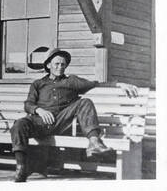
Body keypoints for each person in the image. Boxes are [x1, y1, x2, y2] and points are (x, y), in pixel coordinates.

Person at [10, 48, 138, 182]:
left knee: (85, 102)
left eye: (63, 64)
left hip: (62, 121)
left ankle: (94, 141)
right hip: (40, 122)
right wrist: (39, 110)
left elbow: (96, 84)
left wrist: (119, 84)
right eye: (57, 64)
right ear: (48, 65)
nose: (60, 67)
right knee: (19, 124)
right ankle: (21, 166)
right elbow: (28, 104)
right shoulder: (38, 84)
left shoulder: (72, 81)